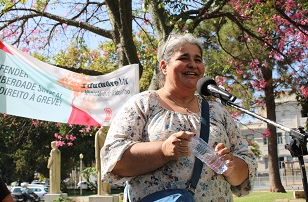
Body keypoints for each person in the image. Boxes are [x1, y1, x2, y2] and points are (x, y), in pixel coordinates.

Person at [100, 33, 258, 202]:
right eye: (184, 58)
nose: (193, 65)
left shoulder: (217, 111)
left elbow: (245, 167)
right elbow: (114, 159)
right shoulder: (143, 104)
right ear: (164, 66)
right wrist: (163, 150)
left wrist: (231, 168)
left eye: (198, 59)